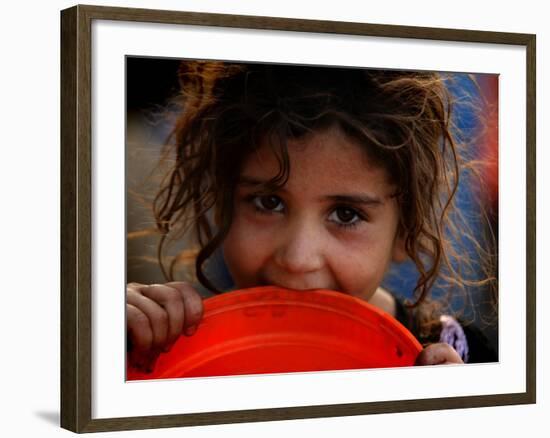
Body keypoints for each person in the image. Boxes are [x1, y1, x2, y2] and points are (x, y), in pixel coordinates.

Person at [126, 61, 497, 374]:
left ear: (405, 231)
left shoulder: (459, 362)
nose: (298, 259)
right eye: (268, 203)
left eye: (346, 214)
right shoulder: (174, 348)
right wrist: (114, 353)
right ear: (222, 204)